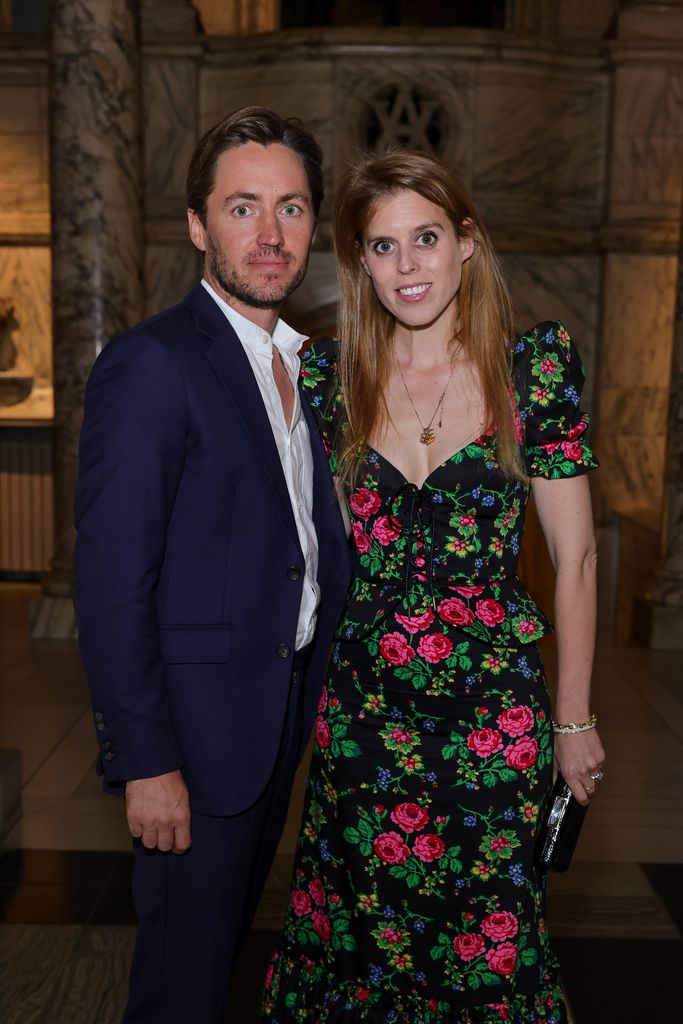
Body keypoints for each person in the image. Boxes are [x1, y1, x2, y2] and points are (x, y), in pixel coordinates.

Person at [262, 149, 605, 1023]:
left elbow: (576, 560)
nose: (406, 266)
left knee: (486, 946)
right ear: (360, 263)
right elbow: (319, 552)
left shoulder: (534, 371)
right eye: (382, 247)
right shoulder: (330, 380)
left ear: (466, 243)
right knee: (358, 937)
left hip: (493, 723)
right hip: (363, 719)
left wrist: (572, 721)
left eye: (424, 238)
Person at [73, 106, 350, 1024]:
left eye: (291, 208)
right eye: (241, 208)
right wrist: (145, 761)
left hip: (270, 728)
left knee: (218, 960)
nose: (269, 237)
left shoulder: (305, 369)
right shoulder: (152, 364)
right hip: (190, 748)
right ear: (197, 224)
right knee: (182, 988)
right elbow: (113, 584)